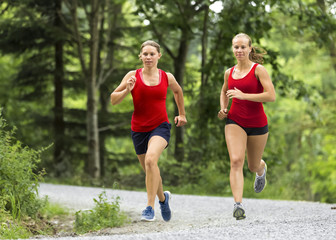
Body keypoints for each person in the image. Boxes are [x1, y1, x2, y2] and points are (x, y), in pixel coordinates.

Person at [110, 40, 187, 222]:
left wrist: (181, 114)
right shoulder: (133, 75)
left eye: (152, 54)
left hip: (160, 126)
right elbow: (113, 99)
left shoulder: (166, 77)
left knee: (152, 160)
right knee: (150, 169)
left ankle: (149, 208)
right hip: (139, 129)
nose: (148, 57)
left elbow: (178, 91)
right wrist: (127, 90)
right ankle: (163, 199)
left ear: (159, 56)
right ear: (140, 56)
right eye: (145, 54)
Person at [218, 33, 276, 220]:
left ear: (250, 48)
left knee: (252, 165)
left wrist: (244, 95)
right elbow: (224, 91)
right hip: (235, 121)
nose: (239, 50)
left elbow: (271, 96)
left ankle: (261, 169)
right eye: (236, 47)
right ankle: (238, 205)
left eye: (243, 47)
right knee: (236, 160)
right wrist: (224, 108)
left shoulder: (259, 70)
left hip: (258, 123)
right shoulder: (229, 72)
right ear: (232, 48)